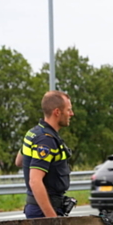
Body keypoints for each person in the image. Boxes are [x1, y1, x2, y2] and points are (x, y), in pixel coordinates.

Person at [20, 90, 74, 218]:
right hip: (44, 211)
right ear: (57, 112)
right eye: (68, 110)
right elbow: (35, 181)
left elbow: (19, 161)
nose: (71, 114)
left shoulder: (34, 132)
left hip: (37, 208)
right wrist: (52, 219)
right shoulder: (46, 140)